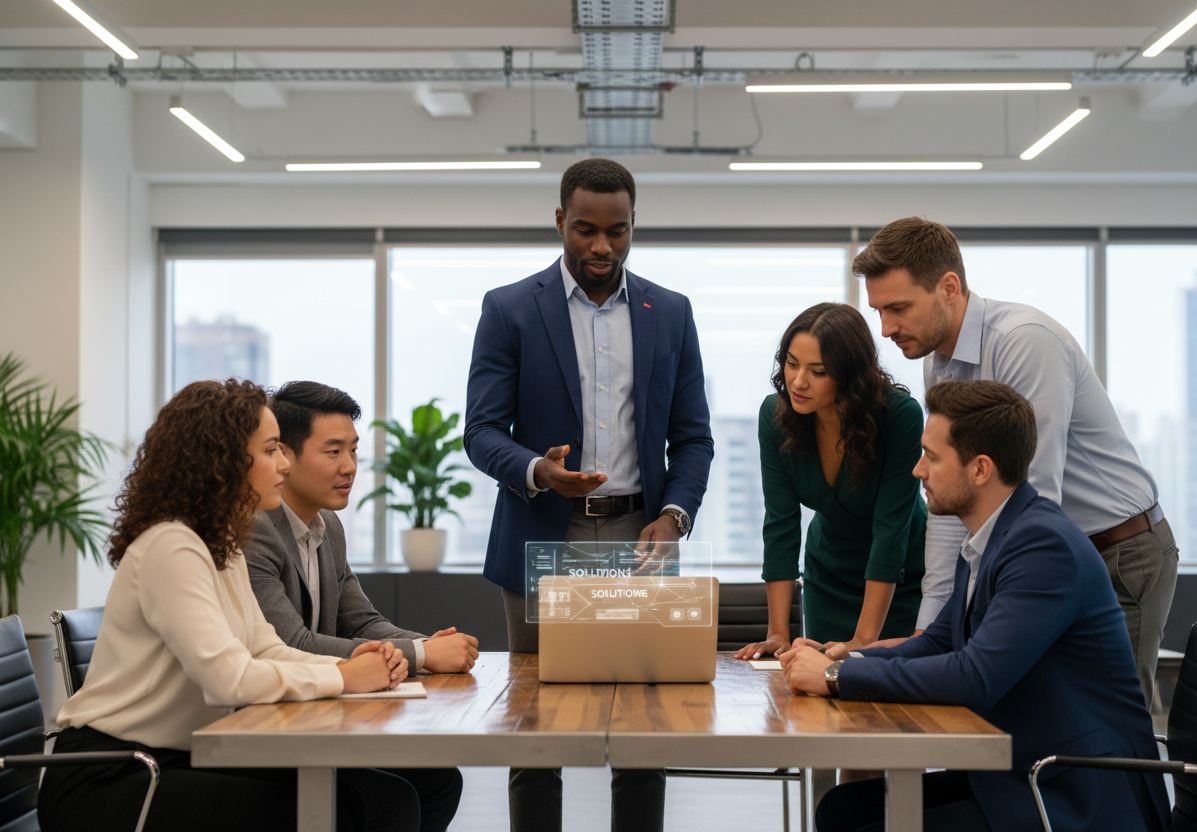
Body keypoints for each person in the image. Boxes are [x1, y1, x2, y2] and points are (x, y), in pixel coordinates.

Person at [39, 379, 435, 832]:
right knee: (332, 813)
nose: (284, 462)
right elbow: (228, 679)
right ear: (223, 461)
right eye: (271, 450)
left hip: (179, 757)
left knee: (382, 800)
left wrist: (351, 665)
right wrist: (343, 674)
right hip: (115, 777)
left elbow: (266, 649)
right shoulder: (173, 545)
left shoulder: (218, 545)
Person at [782, 379, 1170, 832]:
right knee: (843, 809)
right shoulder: (993, 535)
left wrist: (834, 677)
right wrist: (848, 656)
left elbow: (975, 676)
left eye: (931, 456)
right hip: (1023, 768)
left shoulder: (1042, 546)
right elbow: (940, 642)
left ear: (980, 469)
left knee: (862, 822)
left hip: (1073, 789)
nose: (917, 470)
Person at [464, 157, 714, 832]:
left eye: (618, 231)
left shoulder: (672, 312)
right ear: (559, 223)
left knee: (642, 730)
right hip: (544, 533)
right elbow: (481, 432)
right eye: (585, 230)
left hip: (641, 537)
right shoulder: (510, 309)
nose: (601, 246)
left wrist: (673, 515)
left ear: (634, 227)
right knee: (534, 728)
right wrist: (538, 470)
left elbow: (693, 439)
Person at [856, 217, 1178, 710]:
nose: (886, 328)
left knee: (1106, 724)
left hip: (1117, 550)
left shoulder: (1024, 341)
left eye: (898, 308)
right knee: (1027, 709)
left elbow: (1032, 492)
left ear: (949, 288)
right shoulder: (938, 361)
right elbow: (951, 503)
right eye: (879, 310)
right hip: (1047, 552)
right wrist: (929, 629)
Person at [243, 380, 472, 832]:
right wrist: (424, 656)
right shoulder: (254, 530)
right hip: (258, 729)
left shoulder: (328, 525)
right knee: (389, 799)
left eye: (353, 451)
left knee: (438, 780)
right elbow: (294, 642)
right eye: (333, 452)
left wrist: (426, 644)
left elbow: (362, 621)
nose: (349, 467)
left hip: (310, 719)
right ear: (283, 456)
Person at [734, 303, 926, 662]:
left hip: (901, 580)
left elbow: (891, 533)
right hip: (829, 577)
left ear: (850, 376)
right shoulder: (775, 416)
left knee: (896, 700)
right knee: (823, 703)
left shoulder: (900, 417)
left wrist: (862, 640)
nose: (798, 381)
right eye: (792, 364)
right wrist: (777, 633)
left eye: (817, 371)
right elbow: (780, 524)